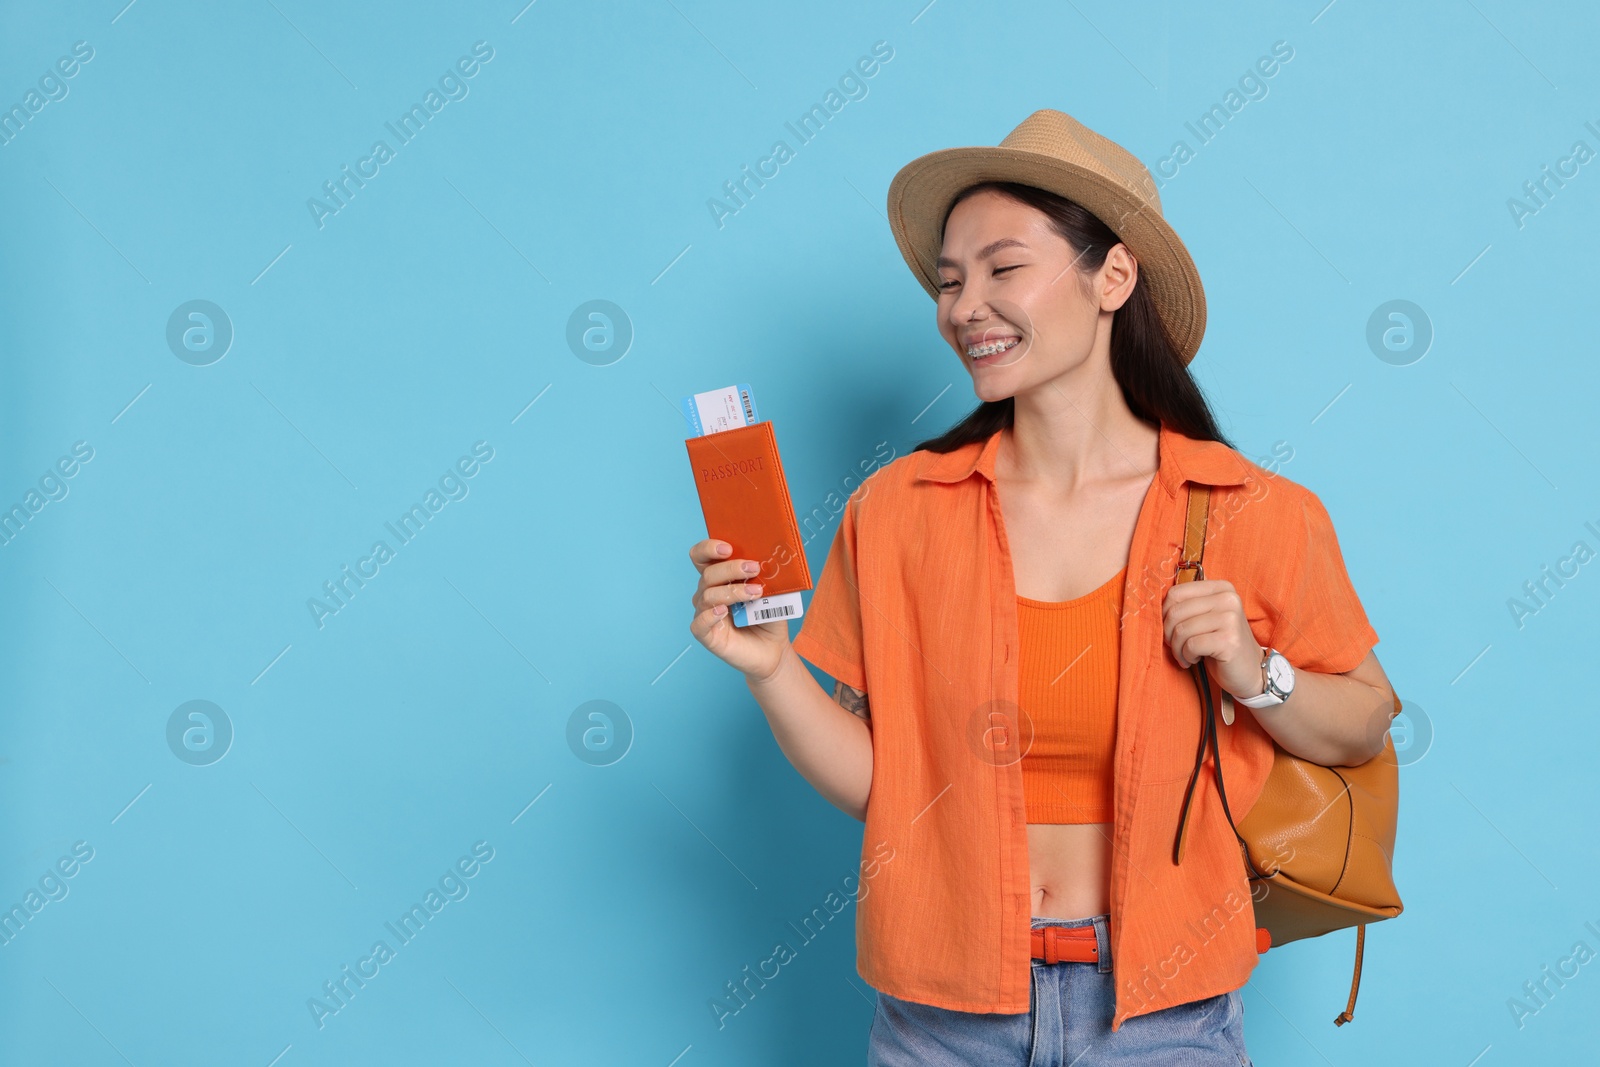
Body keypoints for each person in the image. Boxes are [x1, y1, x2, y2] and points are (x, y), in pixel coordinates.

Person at [687, 109, 1396, 1065]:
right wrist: (769, 668)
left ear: (1113, 276)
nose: (963, 304)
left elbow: (1361, 722)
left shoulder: (1250, 508)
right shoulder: (900, 511)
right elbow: (884, 791)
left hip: (1162, 1014)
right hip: (942, 1016)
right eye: (949, 281)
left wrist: (1251, 668)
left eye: (1002, 267)